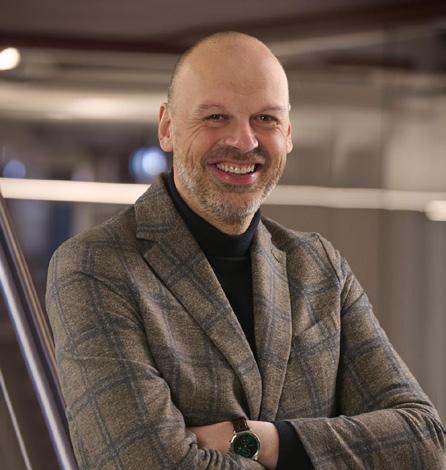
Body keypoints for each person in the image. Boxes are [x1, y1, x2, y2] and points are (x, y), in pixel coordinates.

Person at [46, 32, 445, 469]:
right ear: (167, 127)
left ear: (288, 134)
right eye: (216, 116)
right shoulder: (95, 266)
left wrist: (259, 441)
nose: (243, 141)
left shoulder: (319, 267)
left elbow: (425, 442)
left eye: (265, 118)